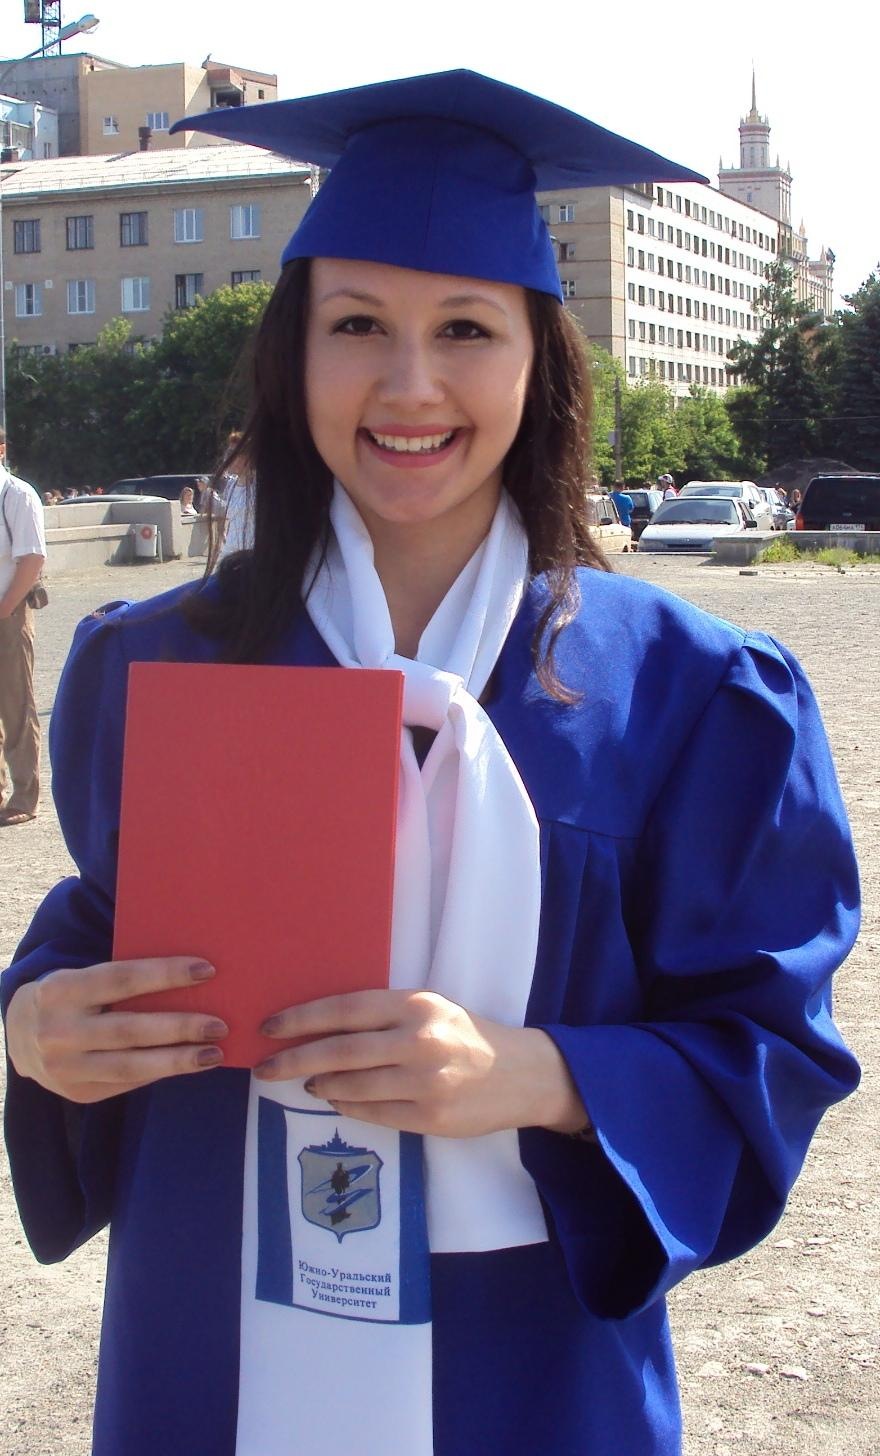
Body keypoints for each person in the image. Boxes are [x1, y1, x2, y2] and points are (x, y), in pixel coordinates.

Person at [1, 71, 860, 1456]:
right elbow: (100, 929)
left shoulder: (688, 696)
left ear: (538, 357)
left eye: (465, 327)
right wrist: (36, 1026)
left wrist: (537, 1075)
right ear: (294, 354)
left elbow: (766, 1046)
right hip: (213, 1335)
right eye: (357, 326)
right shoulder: (159, 665)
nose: (410, 385)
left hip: (519, 1364)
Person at [0, 430, 46, 827]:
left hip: (8, 613)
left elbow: (32, 559)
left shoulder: (17, 495)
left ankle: (24, 796)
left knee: (16, 705)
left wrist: (4, 610)